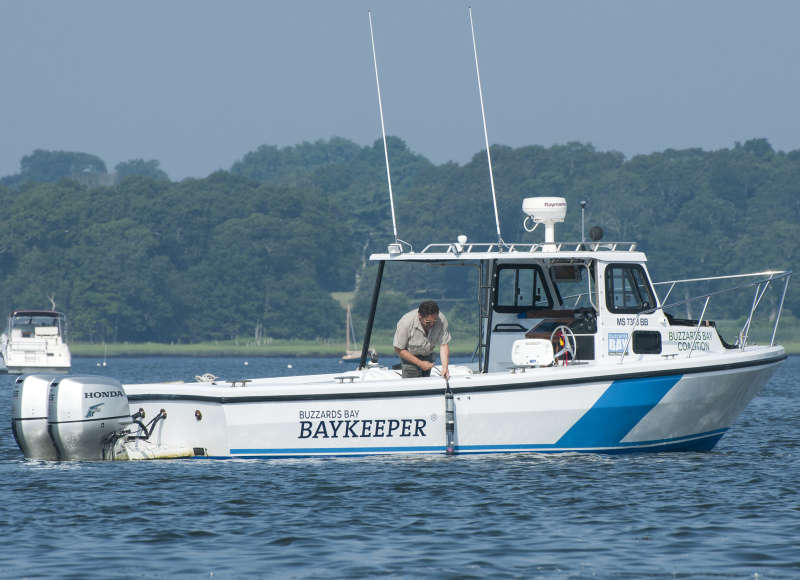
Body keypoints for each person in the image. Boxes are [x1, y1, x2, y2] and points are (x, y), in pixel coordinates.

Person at [393, 300, 450, 379]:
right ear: (420, 316)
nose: (432, 325)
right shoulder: (406, 322)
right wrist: (420, 363)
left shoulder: (441, 319)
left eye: (434, 321)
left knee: (427, 382)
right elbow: (398, 349)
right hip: (410, 358)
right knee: (413, 383)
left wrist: (445, 367)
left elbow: (444, 344)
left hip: (428, 356)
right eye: (428, 322)